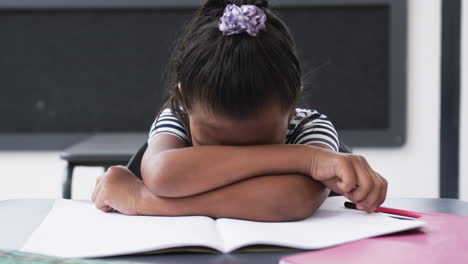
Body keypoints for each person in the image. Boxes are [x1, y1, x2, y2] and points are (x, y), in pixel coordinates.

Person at [92, 0, 387, 222]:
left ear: (291, 106)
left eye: (258, 144)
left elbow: (290, 200)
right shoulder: (177, 116)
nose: (234, 154)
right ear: (184, 99)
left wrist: (143, 200)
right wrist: (307, 160)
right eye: (213, 144)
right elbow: (161, 173)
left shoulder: (309, 126)